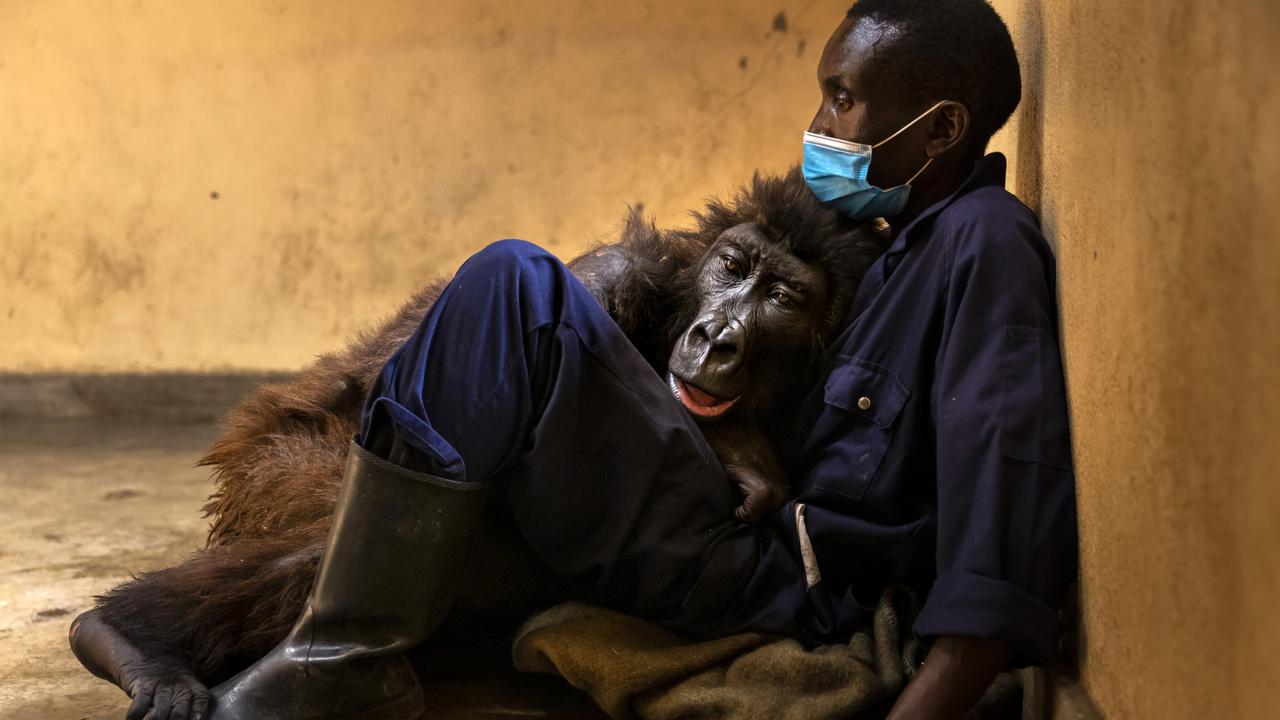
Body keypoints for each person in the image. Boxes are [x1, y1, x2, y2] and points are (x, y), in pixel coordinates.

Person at [208, 1, 1078, 718]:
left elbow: (1001, 483)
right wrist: (739, 442)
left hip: (772, 583)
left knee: (517, 287)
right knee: (526, 295)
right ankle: (347, 640)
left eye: (842, 99)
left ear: (941, 131)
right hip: (736, 524)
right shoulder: (892, 247)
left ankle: (345, 652)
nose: (820, 124)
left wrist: (939, 690)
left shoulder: (982, 245)